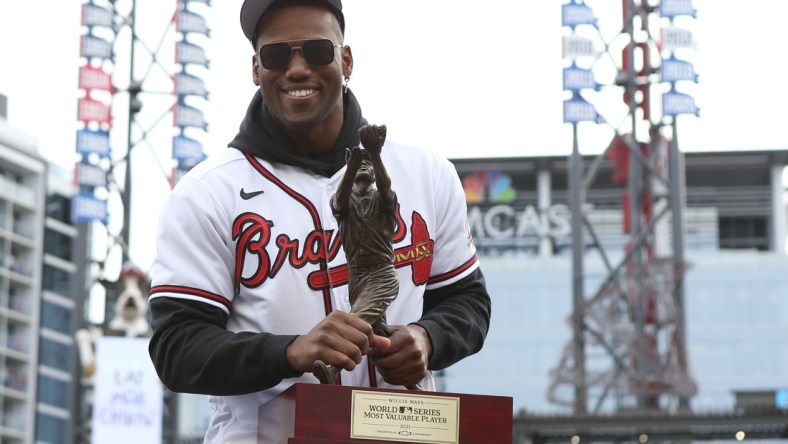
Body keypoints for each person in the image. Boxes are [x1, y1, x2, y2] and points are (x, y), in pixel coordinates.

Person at [148, 0, 491, 441]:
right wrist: (289, 351)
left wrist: (428, 338)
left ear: (345, 60)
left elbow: (468, 303)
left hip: (404, 432)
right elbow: (176, 348)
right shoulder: (208, 193)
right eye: (276, 55)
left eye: (316, 51)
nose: (296, 69)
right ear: (256, 69)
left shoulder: (426, 173)